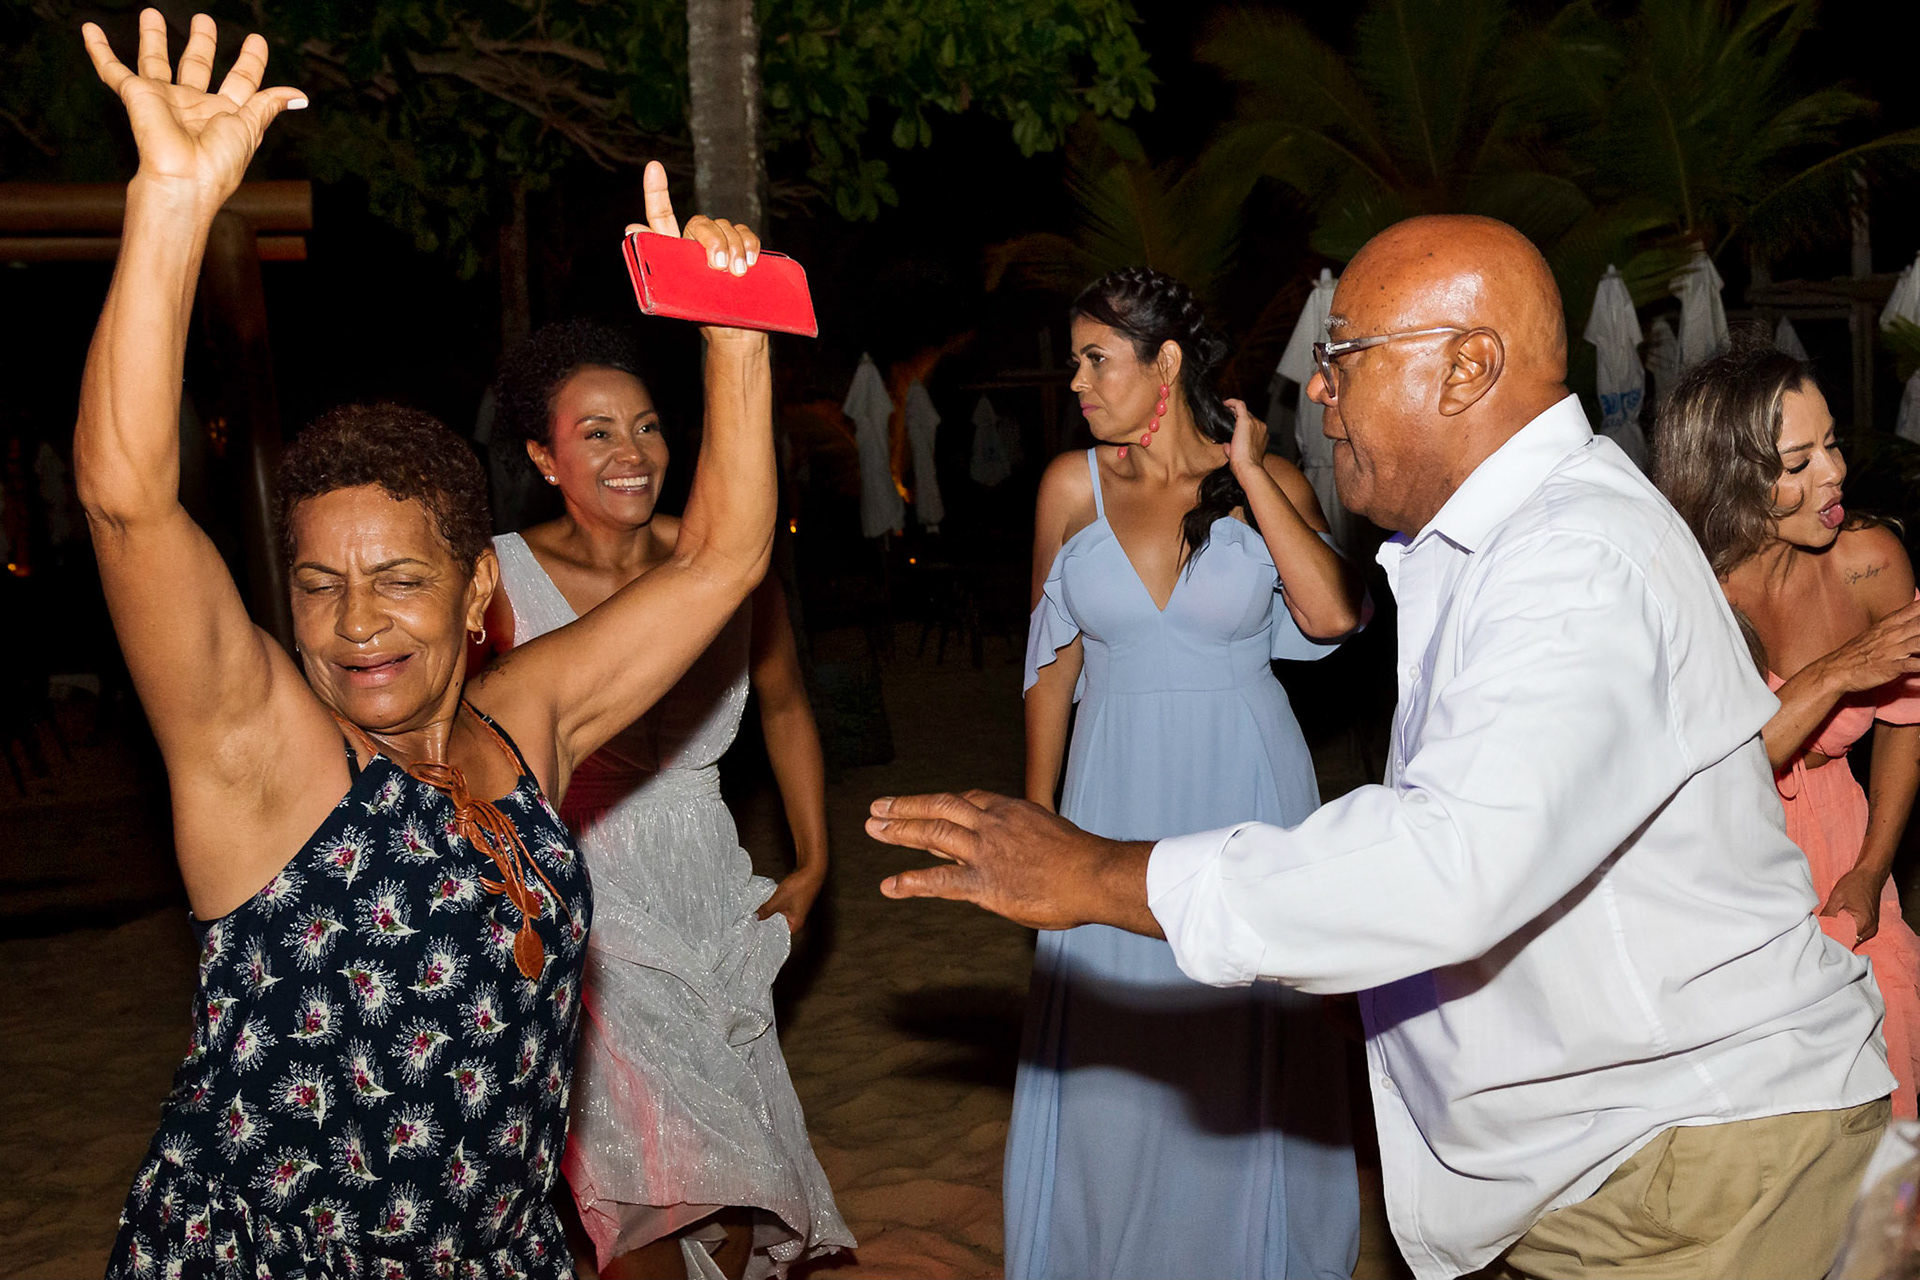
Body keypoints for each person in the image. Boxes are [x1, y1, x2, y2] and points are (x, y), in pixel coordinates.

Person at [865, 216, 1895, 1280]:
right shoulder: (1489, 543)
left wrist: (1091, 871)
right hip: (1623, 1159)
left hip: (1693, 1163)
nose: (1317, 389)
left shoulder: (1573, 559)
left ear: (1467, 367)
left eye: (1343, 355)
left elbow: (1445, 864)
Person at [80, 13, 776, 1277]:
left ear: (477, 588)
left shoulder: (524, 721)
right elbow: (128, 502)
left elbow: (721, 558)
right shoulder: (264, 760)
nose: (357, 622)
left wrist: (733, 336)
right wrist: (170, 203)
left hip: (499, 1249)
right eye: (320, 586)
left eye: (399, 581)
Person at [1010, 267, 1365, 1280]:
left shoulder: (1266, 479)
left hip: (1244, 784)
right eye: (1076, 360)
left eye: (1096, 359)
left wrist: (1251, 473)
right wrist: (1038, 817)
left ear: (1165, 363)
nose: (1076, 380)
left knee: (1241, 1016)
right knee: (1117, 1035)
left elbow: (1332, 616)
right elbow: (1049, 665)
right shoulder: (1069, 486)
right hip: (1110, 784)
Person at [477, 320, 852, 1277]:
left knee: (733, 1175)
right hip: (586, 900)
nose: (632, 452)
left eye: (646, 427)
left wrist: (814, 861)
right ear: (543, 458)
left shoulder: (727, 559)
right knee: (642, 1185)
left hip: (706, 885)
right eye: (596, 432)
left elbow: (785, 705)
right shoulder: (498, 581)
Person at [1656, 343, 1920, 1118]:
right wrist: (1837, 672)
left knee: (1888, 1113)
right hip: (1726, 870)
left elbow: (1908, 718)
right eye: (1798, 462)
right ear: (1729, 477)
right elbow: (1715, 772)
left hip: (1845, 848)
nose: (1834, 472)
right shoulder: (1684, 594)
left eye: (1831, 444)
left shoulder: (1869, 562)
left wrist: (1872, 868)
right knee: (1772, 1127)